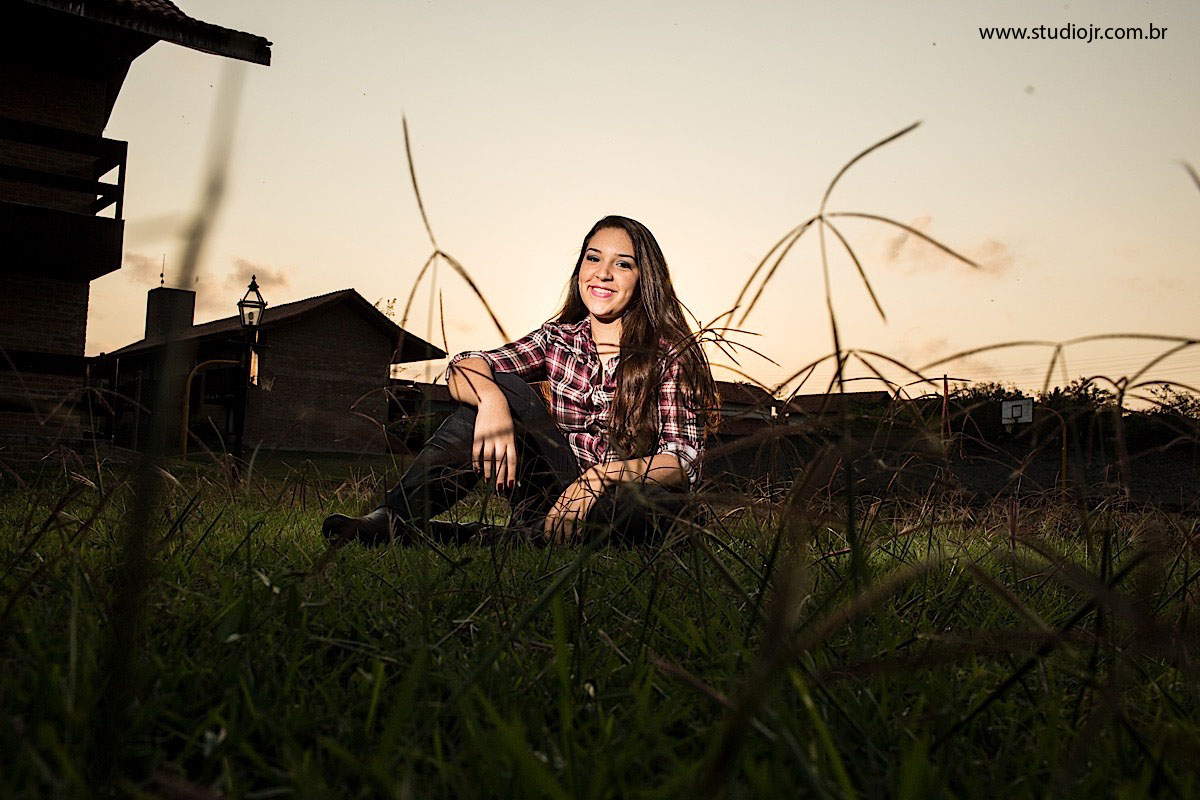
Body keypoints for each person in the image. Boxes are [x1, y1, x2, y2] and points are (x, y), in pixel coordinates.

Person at [322, 215, 719, 545]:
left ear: (644, 277)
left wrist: (598, 479)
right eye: (593, 258)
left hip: (625, 497)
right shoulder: (558, 339)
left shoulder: (669, 352)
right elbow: (465, 366)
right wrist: (492, 402)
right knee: (499, 387)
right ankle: (394, 517)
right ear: (579, 269)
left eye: (623, 264)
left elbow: (682, 460)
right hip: (553, 490)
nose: (603, 273)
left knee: (648, 512)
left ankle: (500, 538)